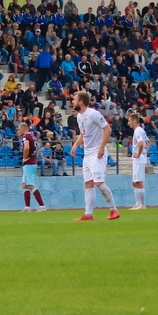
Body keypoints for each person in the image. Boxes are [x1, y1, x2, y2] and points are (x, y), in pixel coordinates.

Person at [70, 91, 120, 221]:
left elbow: (107, 129)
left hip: (97, 153)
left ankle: (113, 210)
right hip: (87, 154)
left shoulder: (93, 114)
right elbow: (83, 134)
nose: (72, 102)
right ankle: (88, 214)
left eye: (75, 99)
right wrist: (75, 145)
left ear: (81, 101)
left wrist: (102, 147)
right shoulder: (79, 116)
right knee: (88, 184)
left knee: (98, 182)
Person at [18, 121, 46, 212]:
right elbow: (38, 148)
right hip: (32, 162)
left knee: (30, 185)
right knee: (24, 185)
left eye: (19, 129)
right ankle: (27, 207)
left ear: (23, 128)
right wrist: (34, 156)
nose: (18, 131)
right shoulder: (33, 136)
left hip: (29, 163)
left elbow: (26, 148)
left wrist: (25, 158)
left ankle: (42, 206)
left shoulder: (26, 136)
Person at [129, 112, 149, 210]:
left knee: (138, 181)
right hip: (139, 159)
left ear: (134, 121)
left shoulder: (137, 131)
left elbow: (141, 144)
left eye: (130, 121)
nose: (129, 123)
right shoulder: (141, 130)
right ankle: (138, 203)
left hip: (138, 159)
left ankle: (141, 205)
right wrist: (145, 152)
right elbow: (148, 142)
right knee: (134, 182)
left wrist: (140, 153)